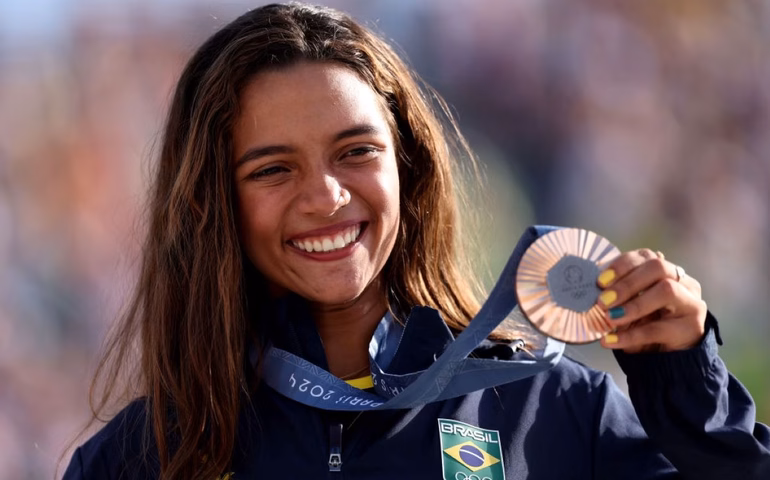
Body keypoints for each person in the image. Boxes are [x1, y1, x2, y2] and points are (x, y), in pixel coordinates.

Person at [63, 3, 770, 479]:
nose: (327, 196)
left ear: (408, 166)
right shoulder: (143, 456)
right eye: (273, 169)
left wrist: (689, 395)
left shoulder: (549, 406)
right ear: (213, 200)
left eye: (355, 152)